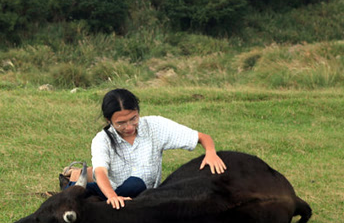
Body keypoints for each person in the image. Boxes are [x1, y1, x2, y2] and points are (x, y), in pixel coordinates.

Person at [64, 88, 226, 209]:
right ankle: (77, 180)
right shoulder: (102, 139)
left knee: (135, 185)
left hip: (143, 191)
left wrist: (210, 152)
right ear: (109, 121)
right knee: (71, 195)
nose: (128, 127)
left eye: (133, 119)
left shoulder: (155, 126)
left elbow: (201, 137)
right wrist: (113, 196)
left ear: (138, 111)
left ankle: (80, 177)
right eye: (121, 123)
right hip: (109, 188)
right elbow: (101, 172)